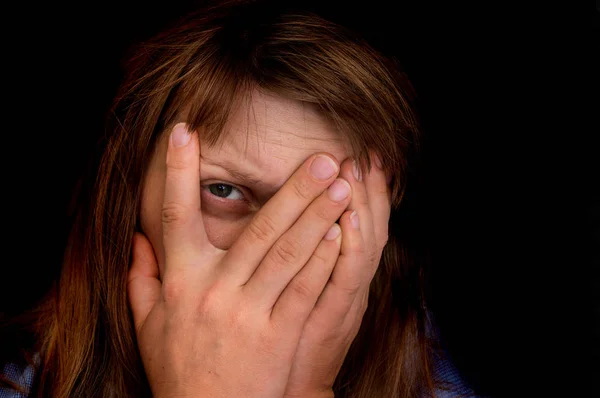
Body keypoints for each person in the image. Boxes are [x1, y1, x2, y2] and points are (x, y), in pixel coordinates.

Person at [0, 1, 478, 396]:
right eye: (223, 191)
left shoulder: (432, 379)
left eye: (327, 207)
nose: (273, 253)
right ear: (127, 192)